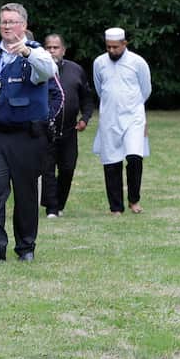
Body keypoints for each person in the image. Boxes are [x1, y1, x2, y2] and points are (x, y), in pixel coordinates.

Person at [0, 3, 57, 263]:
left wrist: (26, 51)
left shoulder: (37, 53)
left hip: (27, 135)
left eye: (12, 21)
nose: (7, 26)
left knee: (25, 192)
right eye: (3, 21)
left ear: (24, 26)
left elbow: (50, 71)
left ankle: (26, 247)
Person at [91, 27, 151, 215]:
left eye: (115, 47)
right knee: (111, 162)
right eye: (108, 47)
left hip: (134, 117)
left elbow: (145, 89)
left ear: (124, 44)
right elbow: (100, 88)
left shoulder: (138, 62)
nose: (111, 51)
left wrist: (134, 107)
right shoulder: (99, 62)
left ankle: (134, 200)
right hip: (109, 118)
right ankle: (115, 207)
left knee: (134, 157)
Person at [41, 34, 94, 218]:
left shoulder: (76, 70)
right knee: (47, 170)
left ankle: (60, 203)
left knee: (67, 168)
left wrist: (85, 118)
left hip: (70, 130)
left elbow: (87, 98)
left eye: (56, 47)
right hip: (45, 131)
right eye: (48, 47)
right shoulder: (39, 70)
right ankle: (52, 208)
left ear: (63, 49)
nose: (52, 51)